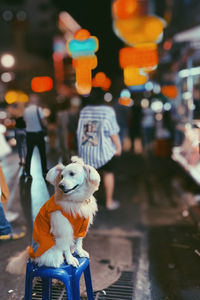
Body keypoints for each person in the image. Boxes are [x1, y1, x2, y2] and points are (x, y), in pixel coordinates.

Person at [77, 88, 122, 210]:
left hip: (87, 150)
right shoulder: (108, 111)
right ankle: (109, 202)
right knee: (108, 173)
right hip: (104, 151)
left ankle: (87, 203)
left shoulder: (84, 111)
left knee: (89, 177)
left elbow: (81, 131)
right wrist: (118, 147)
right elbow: (113, 132)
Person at [23, 94, 48, 178]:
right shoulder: (38, 109)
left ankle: (27, 171)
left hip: (29, 134)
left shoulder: (25, 110)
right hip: (38, 134)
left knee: (29, 153)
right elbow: (44, 122)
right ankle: (44, 170)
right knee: (42, 153)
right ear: (35, 100)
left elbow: (25, 121)